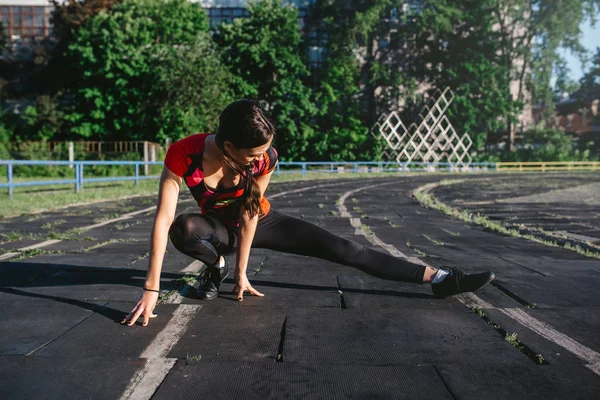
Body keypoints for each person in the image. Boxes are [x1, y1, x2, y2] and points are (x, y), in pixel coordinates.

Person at [121, 99, 494, 327]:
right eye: (252, 155)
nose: (259, 160)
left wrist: (243, 273)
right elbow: (161, 219)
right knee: (183, 228)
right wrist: (151, 289)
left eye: (263, 154)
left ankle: (440, 278)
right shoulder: (183, 154)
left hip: (259, 222)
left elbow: (250, 215)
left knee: (345, 249)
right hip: (216, 230)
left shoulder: (265, 157)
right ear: (229, 146)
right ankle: (213, 265)